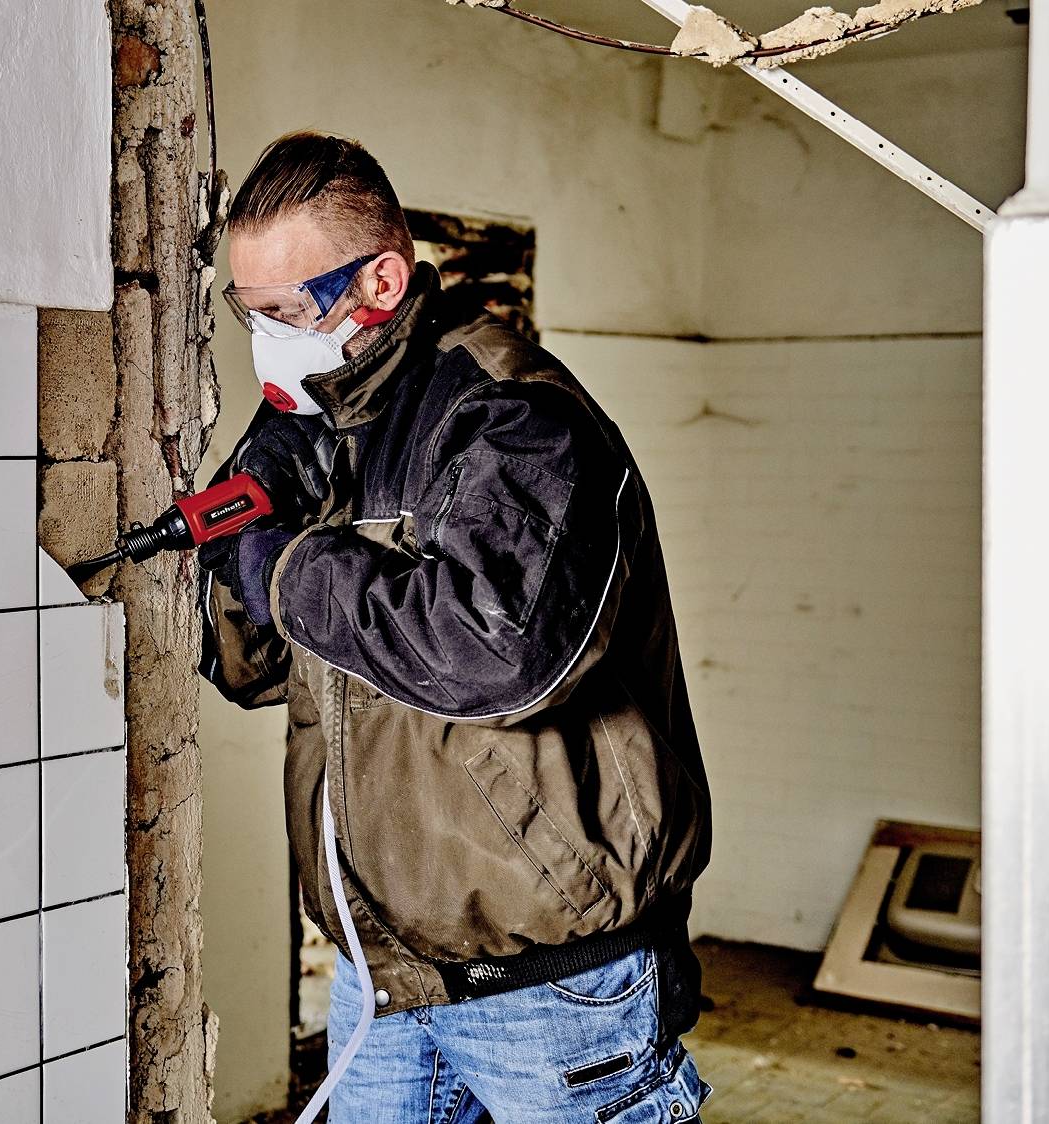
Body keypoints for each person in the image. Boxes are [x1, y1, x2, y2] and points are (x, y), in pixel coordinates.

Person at [199, 131, 715, 1123]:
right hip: (383, 978)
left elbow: (488, 650)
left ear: (381, 279)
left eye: (285, 311)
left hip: (548, 989)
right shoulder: (324, 428)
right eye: (246, 311)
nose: (266, 337)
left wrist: (294, 560)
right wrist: (254, 497)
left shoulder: (514, 420)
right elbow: (248, 663)